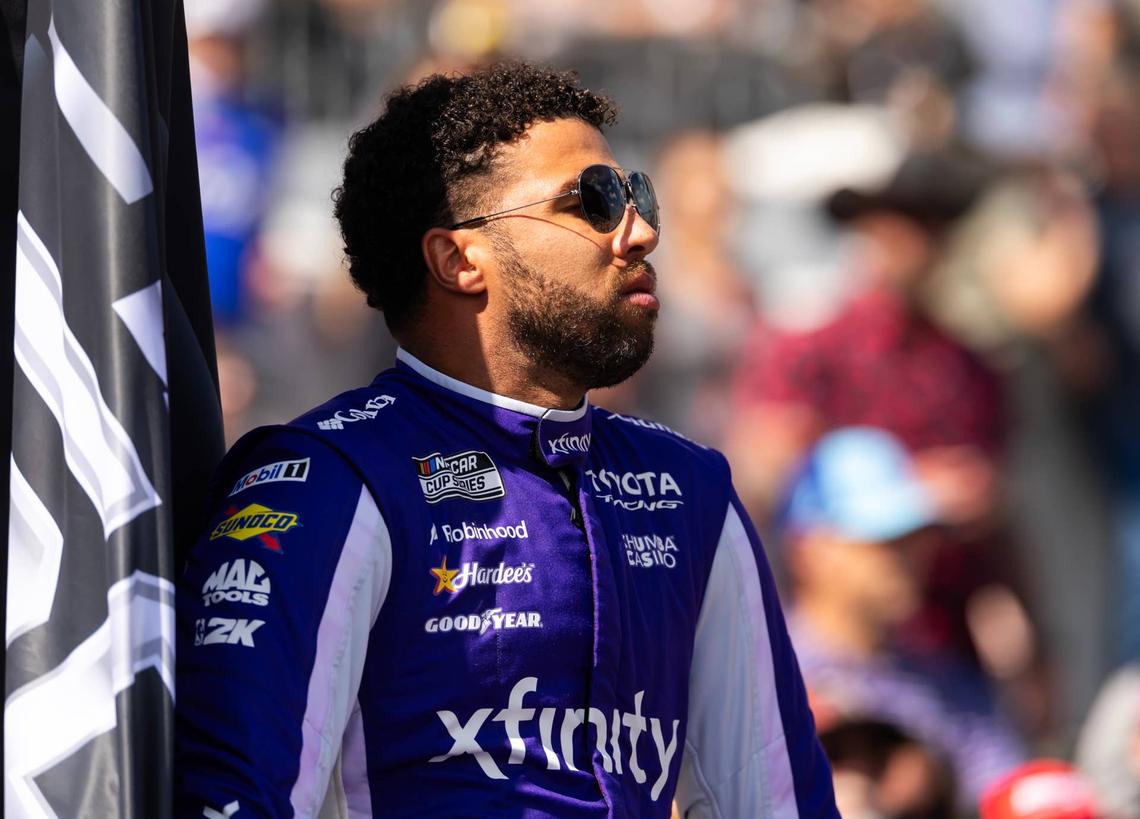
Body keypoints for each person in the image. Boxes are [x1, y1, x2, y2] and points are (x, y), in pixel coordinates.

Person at [174, 62, 838, 819]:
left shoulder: (690, 489)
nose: (641, 230)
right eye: (591, 201)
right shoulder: (329, 478)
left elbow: (776, 802)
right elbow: (233, 799)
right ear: (459, 259)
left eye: (634, 195)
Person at [779, 427, 1025, 806]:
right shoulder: (758, 679)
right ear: (809, 549)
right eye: (882, 539)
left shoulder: (947, 683)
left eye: (914, 536)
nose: (908, 557)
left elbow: (1011, 793)